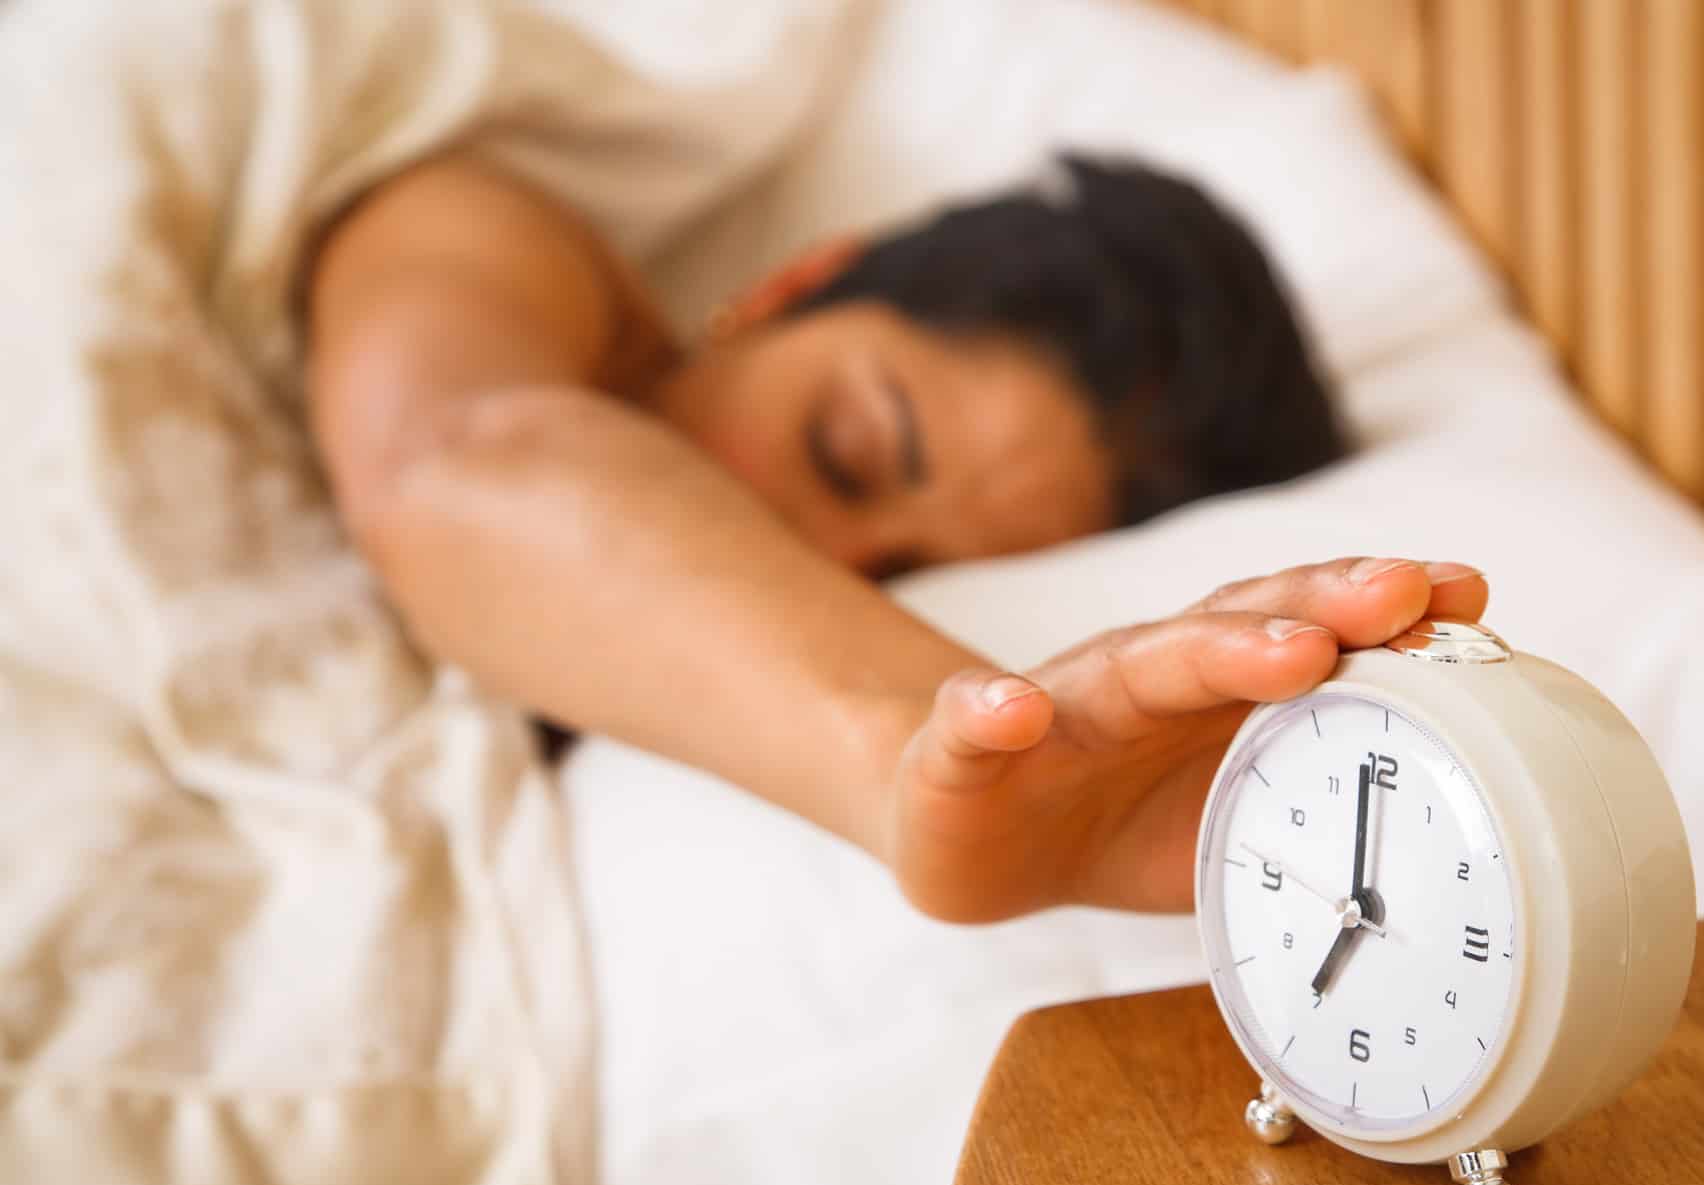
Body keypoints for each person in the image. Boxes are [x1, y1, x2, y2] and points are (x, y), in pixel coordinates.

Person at [306, 151, 1489, 924]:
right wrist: (913, 753)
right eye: (845, 452)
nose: (804, 556)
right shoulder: (489, 233)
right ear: (795, 283)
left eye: (906, 583)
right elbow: (449, 458)